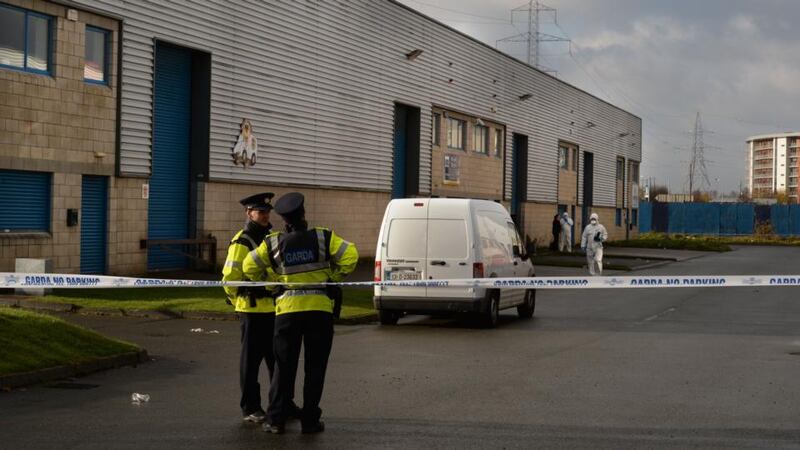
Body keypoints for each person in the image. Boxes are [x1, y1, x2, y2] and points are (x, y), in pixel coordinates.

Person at [242, 192, 358, 435]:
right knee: (315, 368)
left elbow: (248, 266)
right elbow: (351, 256)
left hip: (287, 313)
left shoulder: (273, 242)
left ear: (284, 219)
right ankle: (310, 421)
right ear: (304, 214)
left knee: (283, 368)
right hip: (319, 312)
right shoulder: (323, 236)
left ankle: (275, 420)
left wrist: (273, 281)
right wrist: (332, 279)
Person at [222, 192, 283, 424]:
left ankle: (281, 404)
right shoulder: (243, 241)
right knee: (251, 363)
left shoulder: (271, 236)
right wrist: (235, 299)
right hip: (252, 310)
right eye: (261, 211)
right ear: (249, 213)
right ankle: (251, 407)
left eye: (268, 211)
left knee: (277, 362)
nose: (266, 215)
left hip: (274, 309)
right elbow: (230, 276)